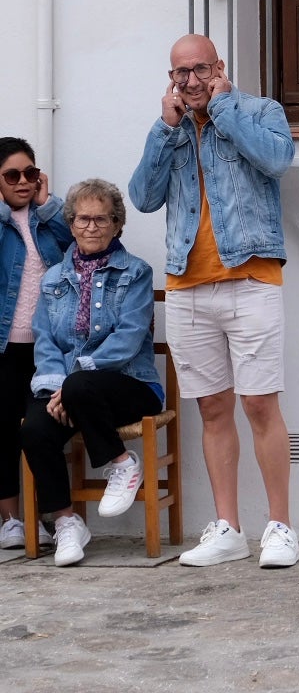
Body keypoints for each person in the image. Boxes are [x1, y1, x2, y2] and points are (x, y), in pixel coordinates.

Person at [128, 34, 298, 568]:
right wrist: (164, 129)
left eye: (201, 69)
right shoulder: (172, 129)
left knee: (259, 403)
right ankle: (228, 527)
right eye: (181, 73)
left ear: (220, 67)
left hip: (251, 279)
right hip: (187, 286)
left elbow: (276, 160)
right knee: (213, 408)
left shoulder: (258, 110)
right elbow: (142, 197)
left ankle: (280, 527)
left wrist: (223, 107)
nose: (192, 81)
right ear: (171, 78)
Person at [20, 179, 164, 567]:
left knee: (80, 383)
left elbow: (130, 338)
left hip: (130, 386)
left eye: (103, 219)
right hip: (71, 391)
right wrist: (57, 387)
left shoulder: (136, 272)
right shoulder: (53, 280)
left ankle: (121, 463)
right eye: (83, 219)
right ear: (71, 224)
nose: (92, 227)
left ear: (117, 225)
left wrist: (72, 382)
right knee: (34, 429)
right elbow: (45, 340)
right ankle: (67, 522)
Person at [0, 137, 73, 551]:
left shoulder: (49, 219)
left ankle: (51, 515)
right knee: (2, 430)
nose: (24, 182)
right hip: (4, 348)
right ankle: (12, 519)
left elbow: (78, 251)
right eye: (12, 175)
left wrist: (48, 207)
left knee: (46, 428)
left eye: (31, 172)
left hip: (49, 348)